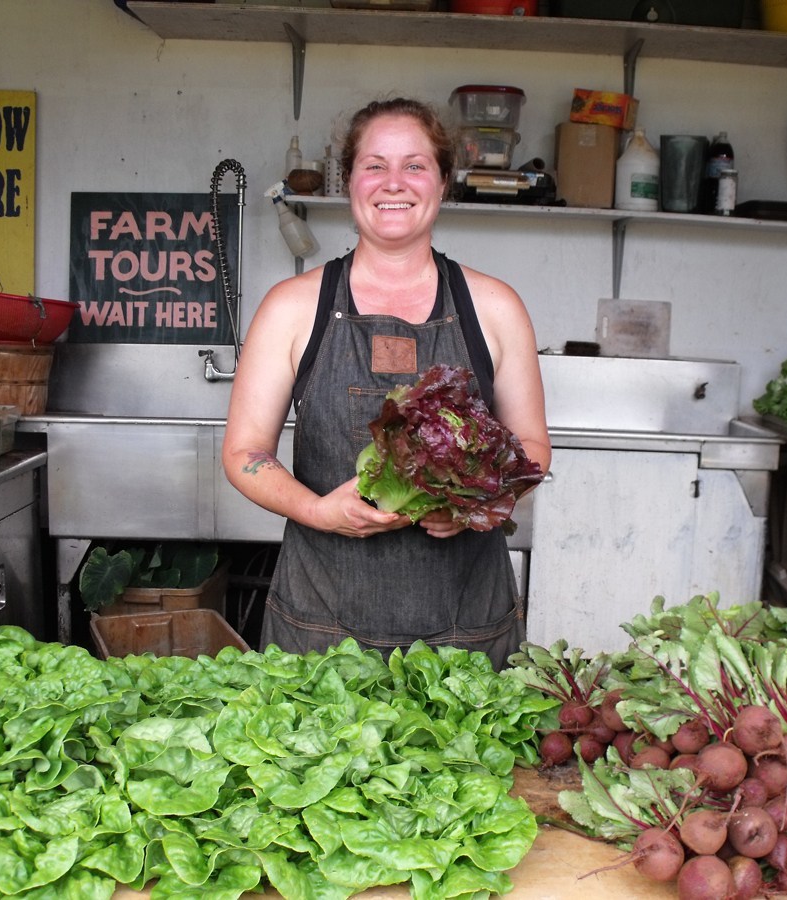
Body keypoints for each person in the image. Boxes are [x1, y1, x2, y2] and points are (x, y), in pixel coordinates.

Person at [221, 96, 551, 670]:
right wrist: (319, 511)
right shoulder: (291, 307)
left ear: (443, 182)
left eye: (415, 165)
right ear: (348, 180)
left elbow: (533, 451)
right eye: (374, 165)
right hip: (320, 636)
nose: (393, 183)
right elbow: (244, 453)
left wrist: (474, 506)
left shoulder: (495, 307)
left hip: (464, 640)